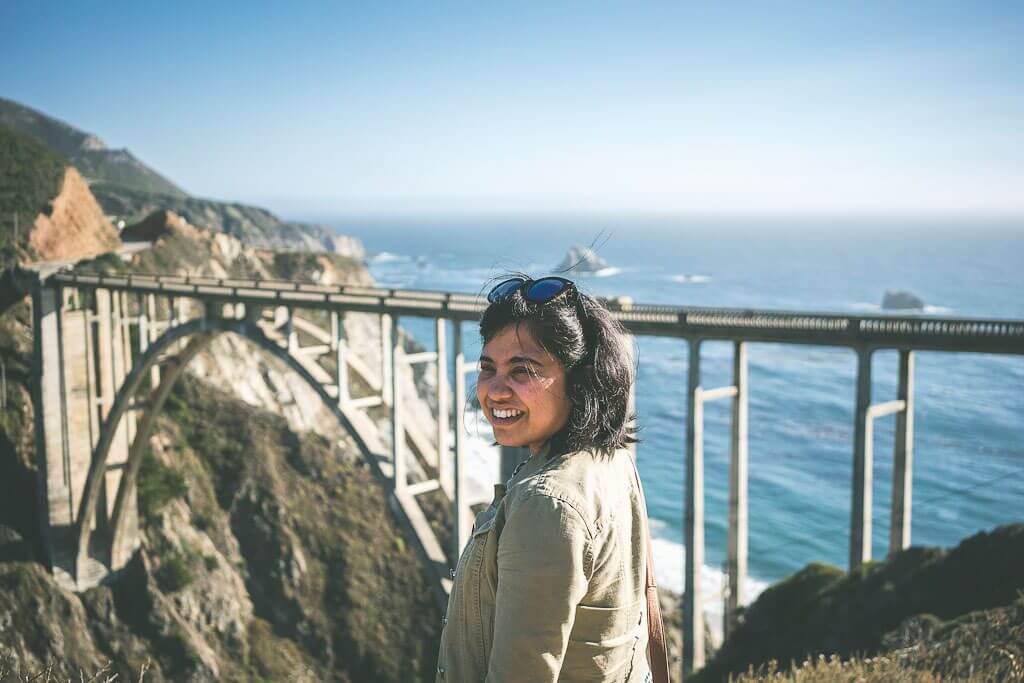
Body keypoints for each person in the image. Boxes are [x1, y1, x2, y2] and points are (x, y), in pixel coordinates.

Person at [437, 275, 666, 682]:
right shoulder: (612, 459)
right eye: (488, 367)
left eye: (523, 371)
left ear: (579, 382)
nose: (495, 390)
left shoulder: (548, 502)